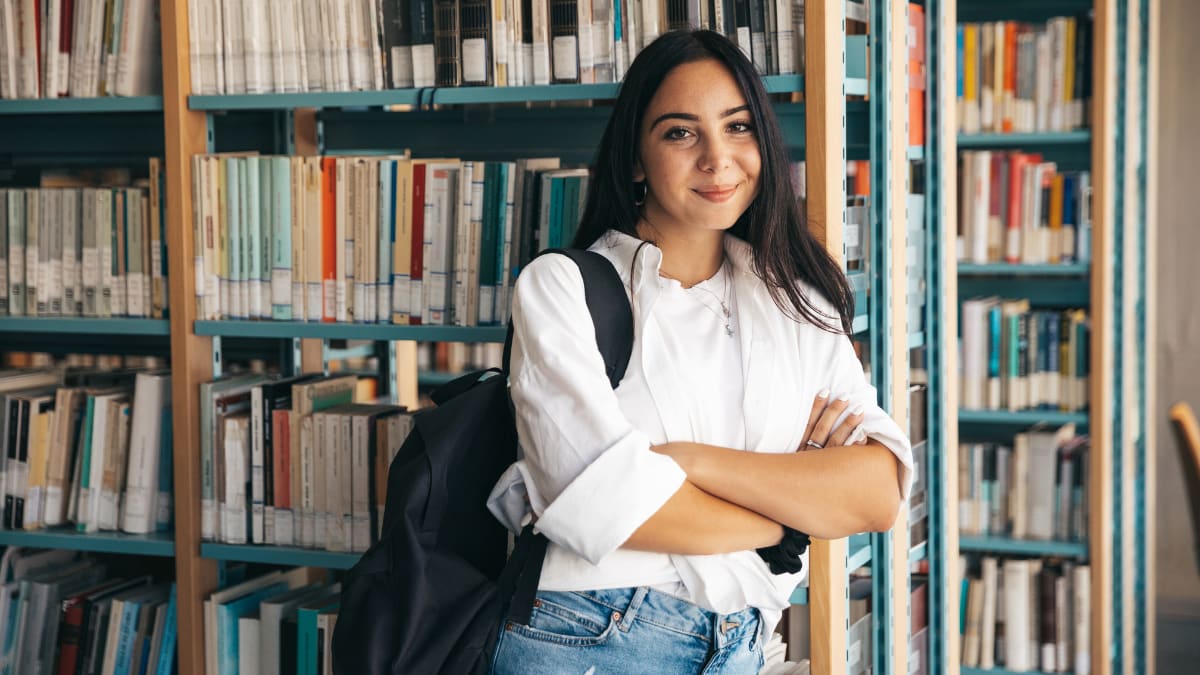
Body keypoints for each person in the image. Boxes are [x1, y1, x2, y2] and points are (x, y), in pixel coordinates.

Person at [486, 29, 914, 674]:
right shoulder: (562, 286)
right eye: (680, 133)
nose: (718, 159)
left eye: (738, 127)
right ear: (636, 159)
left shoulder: (797, 299)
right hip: (588, 639)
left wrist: (686, 463)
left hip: (740, 645)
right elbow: (601, 506)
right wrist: (788, 518)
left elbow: (876, 493)